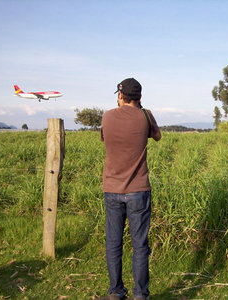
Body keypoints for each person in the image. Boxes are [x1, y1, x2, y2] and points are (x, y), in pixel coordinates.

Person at [100, 78, 161, 300]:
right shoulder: (146, 115)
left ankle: (116, 292)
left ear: (120, 95)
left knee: (114, 243)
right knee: (140, 246)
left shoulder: (107, 116)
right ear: (140, 97)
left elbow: (105, 138)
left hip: (112, 189)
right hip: (138, 190)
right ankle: (140, 295)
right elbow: (157, 136)